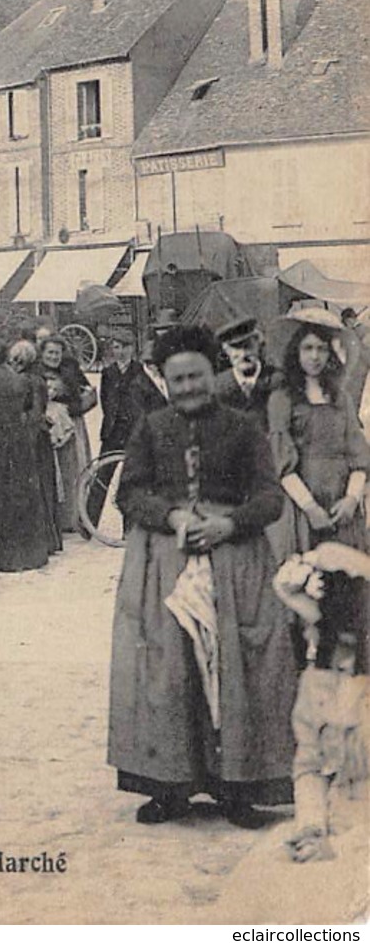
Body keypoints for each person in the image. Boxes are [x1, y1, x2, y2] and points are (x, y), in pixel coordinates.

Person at [108, 324, 297, 828]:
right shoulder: (150, 428)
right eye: (178, 380)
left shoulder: (243, 428)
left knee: (237, 669)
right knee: (169, 670)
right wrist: (171, 517)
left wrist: (228, 523)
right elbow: (129, 493)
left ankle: (238, 790)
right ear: (166, 383)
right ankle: (170, 788)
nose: (188, 387)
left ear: (211, 375)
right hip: (164, 562)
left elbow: (269, 497)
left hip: (236, 562)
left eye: (196, 376)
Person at [273, 541, 370, 861]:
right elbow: (309, 768)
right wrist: (312, 828)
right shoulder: (317, 685)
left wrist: (344, 847)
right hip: (333, 825)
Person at [268, 309, 370, 558]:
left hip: (343, 502)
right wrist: (310, 508)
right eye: (308, 348)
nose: (315, 357)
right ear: (296, 352)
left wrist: (352, 499)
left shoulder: (341, 398)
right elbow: (283, 465)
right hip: (302, 504)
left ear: (331, 354)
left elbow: (358, 456)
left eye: (322, 349)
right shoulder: (282, 399)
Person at [0, 337, 52, 572]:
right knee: (23, 495)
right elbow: (32, 408)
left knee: (0, 497)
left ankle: (6, 558)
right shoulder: (20, 380)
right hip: (19, 441)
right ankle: (31, 555)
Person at [86, 331, 144, 530]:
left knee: (131, 480)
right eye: (117, 347)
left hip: (133, 432)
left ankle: (129, 529)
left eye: (124, 347)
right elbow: (106, 401)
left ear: (132, 349)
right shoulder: (108, 372)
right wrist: (112, 419)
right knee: (102, 477)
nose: (120, 352)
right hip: (113, 432)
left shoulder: (140, 371)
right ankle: (88, 525)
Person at [37, 334, 95, 533]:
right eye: (50, 352)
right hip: (46, 425)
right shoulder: (35, 372)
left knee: (71, 469)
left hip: (70, 424)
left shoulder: (71, 370)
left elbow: (85, 394)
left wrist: (67, 401)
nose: (54, 357)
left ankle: (70, 519)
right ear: (42, 353)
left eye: (57, 353)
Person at [214, 316, 277, 431]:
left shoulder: (276, 380)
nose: (243, 354)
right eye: (236, 348)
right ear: (226, 351)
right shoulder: (217, 387)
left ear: (258, 345)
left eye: (248, 346)